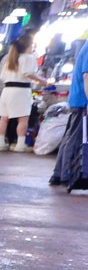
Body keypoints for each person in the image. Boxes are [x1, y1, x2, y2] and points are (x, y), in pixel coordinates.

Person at [0, 32, 46, 152]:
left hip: (7, 91)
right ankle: (20, 144)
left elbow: (2, 77)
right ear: (29, 45)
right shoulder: (28, 58)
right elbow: (28, 73)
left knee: (3, 118)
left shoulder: (10, 58)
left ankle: (0, 143)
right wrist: (43, 80)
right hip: (21, 90)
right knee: (23, 119)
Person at [50, 34, 88, 188]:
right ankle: (66, 174)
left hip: (79, 99)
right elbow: (87, 77)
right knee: (76, 138)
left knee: (71, 136)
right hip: (82, 101)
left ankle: (59, 173)